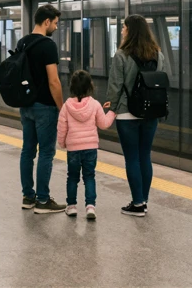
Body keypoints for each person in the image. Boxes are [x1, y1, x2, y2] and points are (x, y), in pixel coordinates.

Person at [106, 14, 166, 217]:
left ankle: (137, 203)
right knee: (144, 156)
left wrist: (110, 108)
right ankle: (143, 201)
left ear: (130, 30)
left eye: (124, 27)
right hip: (151, 111)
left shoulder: (121, 55)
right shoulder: (158, 54)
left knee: (131, 158)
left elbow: (115, 86)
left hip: (126, 112)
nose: (122, 30)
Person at [18, 4, 65, 214]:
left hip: (26, 105)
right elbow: (53, 81)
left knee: (28, 150)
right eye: (54, 23)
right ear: (46, 21)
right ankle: (43, 201)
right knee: (46, 152)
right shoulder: (48, 45)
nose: (55, 27)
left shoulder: (22, 42)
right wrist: (62, 107)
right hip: (45, 106)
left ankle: (28, 196)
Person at [57, 70, 115, 220]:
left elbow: (62, 128)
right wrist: (112, 112)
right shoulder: (95, 105)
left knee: (72, 178)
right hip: (90, 148)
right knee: (89, 177)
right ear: (90, 86)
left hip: (73, 149)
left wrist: (62, 143)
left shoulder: (66, 106)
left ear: (71, 87)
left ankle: (71, 206)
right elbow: (104, 124)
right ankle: (90, 207)